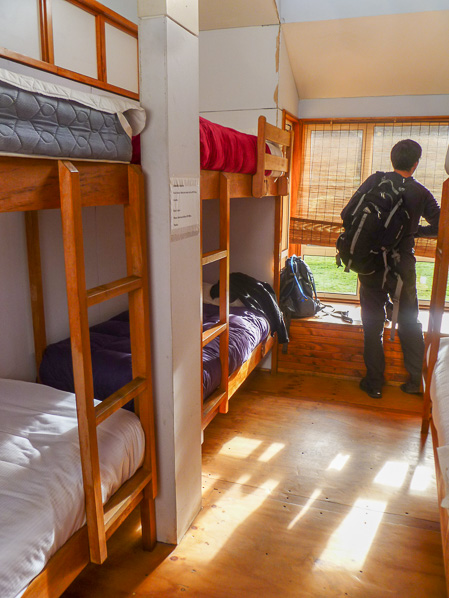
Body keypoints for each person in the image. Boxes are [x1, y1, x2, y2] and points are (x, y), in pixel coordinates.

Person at [341, 139, 440, 399]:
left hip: (371, 264)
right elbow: (442, 224)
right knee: (409, 321)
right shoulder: (420, 192)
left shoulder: (375, 182)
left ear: (392, 159)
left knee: (372, 324)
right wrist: (416, 231)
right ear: (416, 164)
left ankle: (374, 382)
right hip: (402, 266)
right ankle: (415, 382)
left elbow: (347, 213)